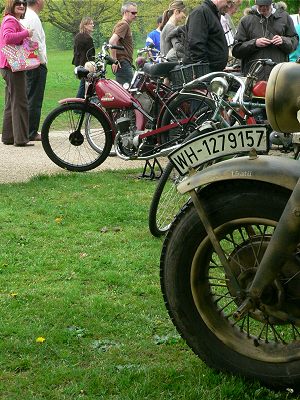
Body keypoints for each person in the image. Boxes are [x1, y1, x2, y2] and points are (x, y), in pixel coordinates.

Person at [232, 0, 299, 80]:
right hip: (253, 77)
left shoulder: (285, 17)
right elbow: (236, 50)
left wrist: (283, 41)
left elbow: (294, 41)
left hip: (278, 76)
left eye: (266, 6)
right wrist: (255, 43)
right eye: (260, 6)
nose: (263, 8)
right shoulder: (246, 20)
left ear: (271, 3)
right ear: (255, 2)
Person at [0, 0, 34, 146]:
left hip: (8, 66)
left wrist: (27, 40)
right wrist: (26, 33)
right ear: (11, 5)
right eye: (18, 3)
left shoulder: (12, 20)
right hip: (13, 66)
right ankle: (21, 139)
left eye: (23, 3)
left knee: (11, 102)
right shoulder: (10, 20)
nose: (21, 5)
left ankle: (8, 137)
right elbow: (7, 38)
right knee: (20, 102)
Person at [183, 0, 233, 71]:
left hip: (212, 72)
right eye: (228, 2)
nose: (229, 6)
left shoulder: (212, 14)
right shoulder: (201, 12)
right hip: (202, 74)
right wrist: (204, 71)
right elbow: (196, 45)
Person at [22, 0, 47, 142]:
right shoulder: (33, 17)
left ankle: (25, 129)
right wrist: (42, 61)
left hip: (27, 62)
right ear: (38, 1)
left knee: (28, 95)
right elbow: (37, 42)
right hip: (35, 63)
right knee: (35, 98)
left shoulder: (25, 15)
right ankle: (31, 131)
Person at [109, 2, 137, 86]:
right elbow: (112, 41)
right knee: (128, 93)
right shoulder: (124, 25)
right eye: (133, 13)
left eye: (136, 13)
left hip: (123, 62)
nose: (135, 15)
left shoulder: (123, 24)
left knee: (124, 91)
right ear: (125, 12)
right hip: (123, 63)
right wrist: (114, 61)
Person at [72, 17, 95, 98]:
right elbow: (89, 54)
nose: (93, 25)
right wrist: (91, 65)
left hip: (78, 63)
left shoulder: (78, 36)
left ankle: (79, 105)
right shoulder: (87, 38)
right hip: (85, 64)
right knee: (85, 85)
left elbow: (77, 52)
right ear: (85, 25)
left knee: (84, 84)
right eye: (90, 24)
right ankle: (78, 105)